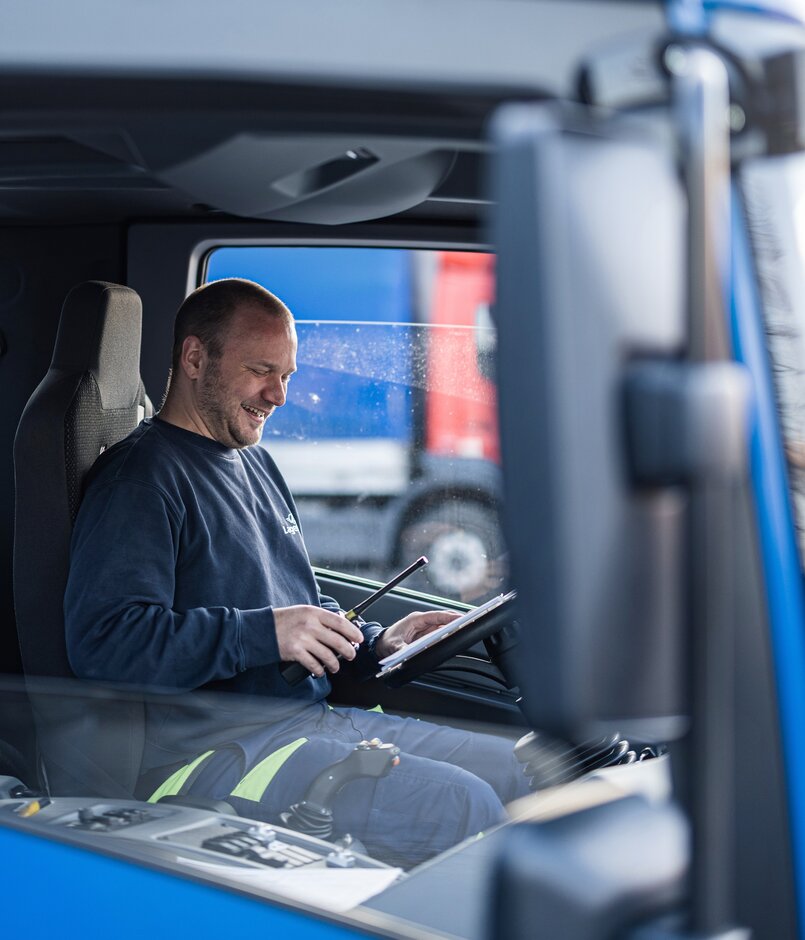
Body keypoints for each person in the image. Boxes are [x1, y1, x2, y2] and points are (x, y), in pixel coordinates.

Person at [64, 277, 529, 866]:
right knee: (464, 806)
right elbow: (104, 644)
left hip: (313, 721)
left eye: (287, 375)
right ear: (195, 358)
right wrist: (265, 631)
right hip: (213, 753)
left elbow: (293, 609)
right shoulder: (142, 480)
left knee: (513, 768)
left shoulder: (255, 464)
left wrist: (374, 642)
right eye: (262, 370)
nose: (278, 395)